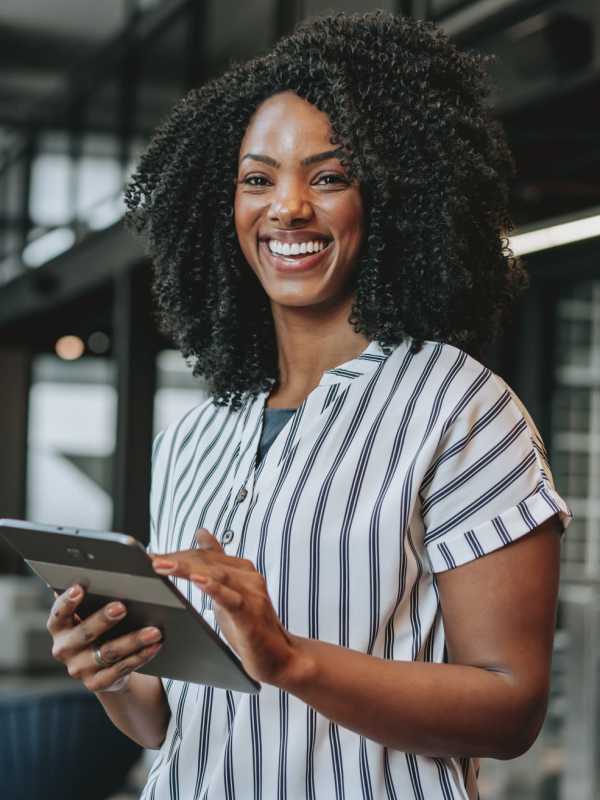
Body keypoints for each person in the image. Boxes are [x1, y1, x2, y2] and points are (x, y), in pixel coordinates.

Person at [46, 11, 571, 799]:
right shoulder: (195, 434)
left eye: (328, 177)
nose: (287, 208)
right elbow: (163, 719)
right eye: (258, 179)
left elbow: (509, 706)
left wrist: (290, 659)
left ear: (390, 197)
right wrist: (112, 670)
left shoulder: (460, 409)